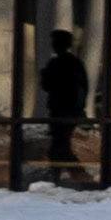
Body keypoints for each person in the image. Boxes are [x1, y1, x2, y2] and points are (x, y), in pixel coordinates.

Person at [38, 27, 91, 165]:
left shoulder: (57, 64)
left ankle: (75, 173)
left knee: (59, 147)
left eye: (55, 42)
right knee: (60, 146)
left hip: (63, 112)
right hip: (66, 111)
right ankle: (70, 173)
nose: (52, 45)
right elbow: (82, 88)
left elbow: (48, 86)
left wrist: (45, 75)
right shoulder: (74, 63)